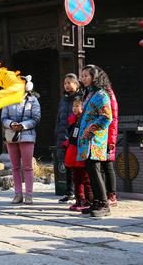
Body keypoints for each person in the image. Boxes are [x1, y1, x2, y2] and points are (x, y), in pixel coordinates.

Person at [77, 65, 113, 217]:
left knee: (96, 171)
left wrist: (90, 128)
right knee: (91, 172)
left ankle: (104, 204)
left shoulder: (101, 95)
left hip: (94, 140)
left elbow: (107, 117)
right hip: (86, 140)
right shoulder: (90, 93)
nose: (83, 78)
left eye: (86, 75)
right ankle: (96, 202)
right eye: (82, 75)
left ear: (95, 77)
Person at [1, 75, 41, 205]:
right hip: (11, 136)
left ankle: (29, 194)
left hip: (27, 136)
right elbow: (3, 118)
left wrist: (23, 126)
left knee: (28, 167)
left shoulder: (33, 100)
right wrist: (11, 124)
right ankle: (17, 194)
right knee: (15, 167)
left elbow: (36, 118)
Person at [54, 73, 83, 203]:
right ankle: (69, 192)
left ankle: (79, 194)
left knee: (77, 166)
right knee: (67, 165)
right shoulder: (63, 99)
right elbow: (59, 118)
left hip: (75, 136)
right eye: (65, 83)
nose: (67, 85)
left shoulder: (80, 98)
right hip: (62, 136)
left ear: (76, 84)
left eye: (69, 82)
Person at [62, 97, 93, 211]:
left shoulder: (84, 120)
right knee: (76, 178)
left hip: (81, 150)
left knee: (85, 178)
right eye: (73, 106)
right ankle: (79, 199)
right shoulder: (72, 120)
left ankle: (88, 200)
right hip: (72, 150)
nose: (75, 108)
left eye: (77, 106)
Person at [102, 82, 119, 207]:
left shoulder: (107, 94)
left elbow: (113, 119)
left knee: (107, 166)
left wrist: (111, 141)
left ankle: (112, 195)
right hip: (98, 136)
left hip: (107, 136)